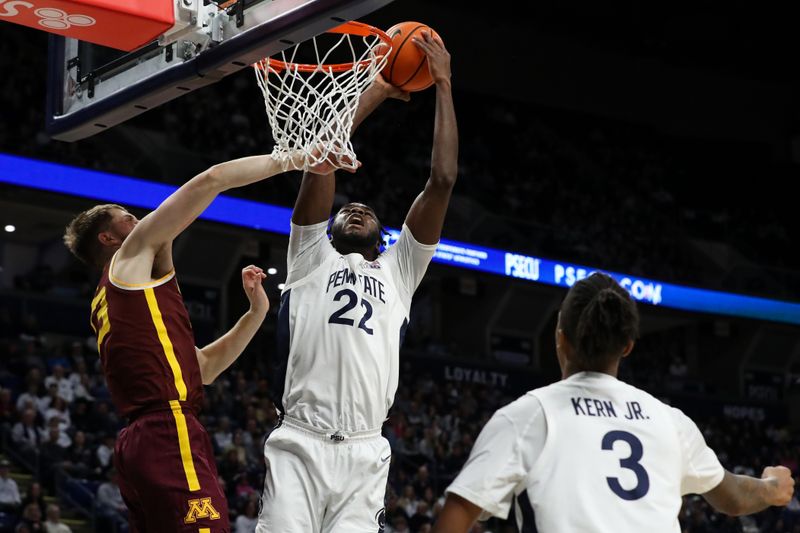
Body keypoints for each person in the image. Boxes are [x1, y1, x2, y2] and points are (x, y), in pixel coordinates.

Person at [62, 150, 349, 532]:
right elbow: (212, 178)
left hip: (141, 441)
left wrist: (255, 313)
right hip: (167, 430)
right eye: (129, 218)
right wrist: (297, 159)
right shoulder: (127, 257)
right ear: (109, 238)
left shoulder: (126, 298)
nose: (142, 220)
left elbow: (204, 369)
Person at [257, 30, 456, 533]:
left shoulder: (400, 270)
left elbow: (442, 181)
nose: (356, 208)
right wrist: (376, 88)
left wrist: (445, 85)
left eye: (366, 211)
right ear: (329, 225)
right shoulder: (308, 255)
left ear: (382, 237)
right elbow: (324, 152)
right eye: (347, 208)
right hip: (300, 442)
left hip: (366, 453)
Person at [431, 273, 796, 533]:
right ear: (627, 347)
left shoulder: (530, 415)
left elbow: (455, 517)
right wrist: (771, 487)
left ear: (560, 338)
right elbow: (732, 498)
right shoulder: (670, 420)